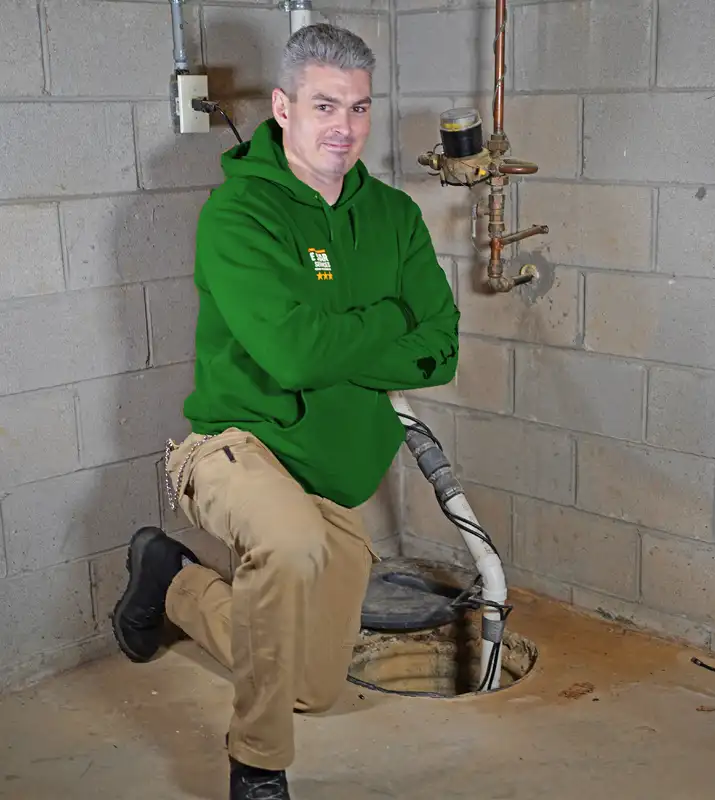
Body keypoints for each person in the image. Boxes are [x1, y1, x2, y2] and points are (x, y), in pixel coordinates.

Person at [111, 22, 460, 800]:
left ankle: (172, 584)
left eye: (360, 108)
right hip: (233, 446)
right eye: (325, 105)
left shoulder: (394, 217)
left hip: (326, 471)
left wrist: (349, 335)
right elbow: (296, 357)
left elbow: (443, 347)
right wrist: (385, 325)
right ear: (282, 107)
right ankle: (258, 765)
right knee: (291, 543)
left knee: (311, 683)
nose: (345, 128)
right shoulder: (240, 216)